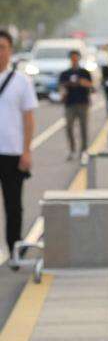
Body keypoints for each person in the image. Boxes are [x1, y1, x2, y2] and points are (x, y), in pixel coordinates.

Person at [0, 30, 37, 267]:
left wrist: (26, 151)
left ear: (11, 50)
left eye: (3, 46)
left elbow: (29, 119)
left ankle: (14, 250)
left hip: (12, 153)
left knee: (14, 206)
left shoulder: (21, 81)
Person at [58, 48, 93, 159]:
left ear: (78, 58)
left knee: (83, 128)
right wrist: (63, 91)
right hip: (70, 103)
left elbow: (91, 86)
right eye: (72, 58)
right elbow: (61, 87)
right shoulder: (65, 73)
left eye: (76, 57)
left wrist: (83, 83)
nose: (74, 60)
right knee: (69, 127)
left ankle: (83, 150)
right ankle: (72, 149)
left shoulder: (84, 72)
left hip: (83, 103)